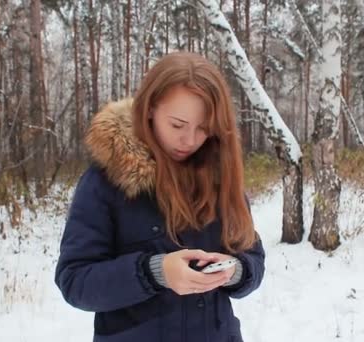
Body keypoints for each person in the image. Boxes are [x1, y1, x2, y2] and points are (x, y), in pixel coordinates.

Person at [55, 51, 265, 342]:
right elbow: (75, 280)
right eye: (177, 125)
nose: (190, 140)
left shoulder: (220, 174)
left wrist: (236, 271)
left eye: (203, 128)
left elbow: (250, 252)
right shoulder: (106, 181)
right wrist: (154, 272)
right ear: (150, 109)